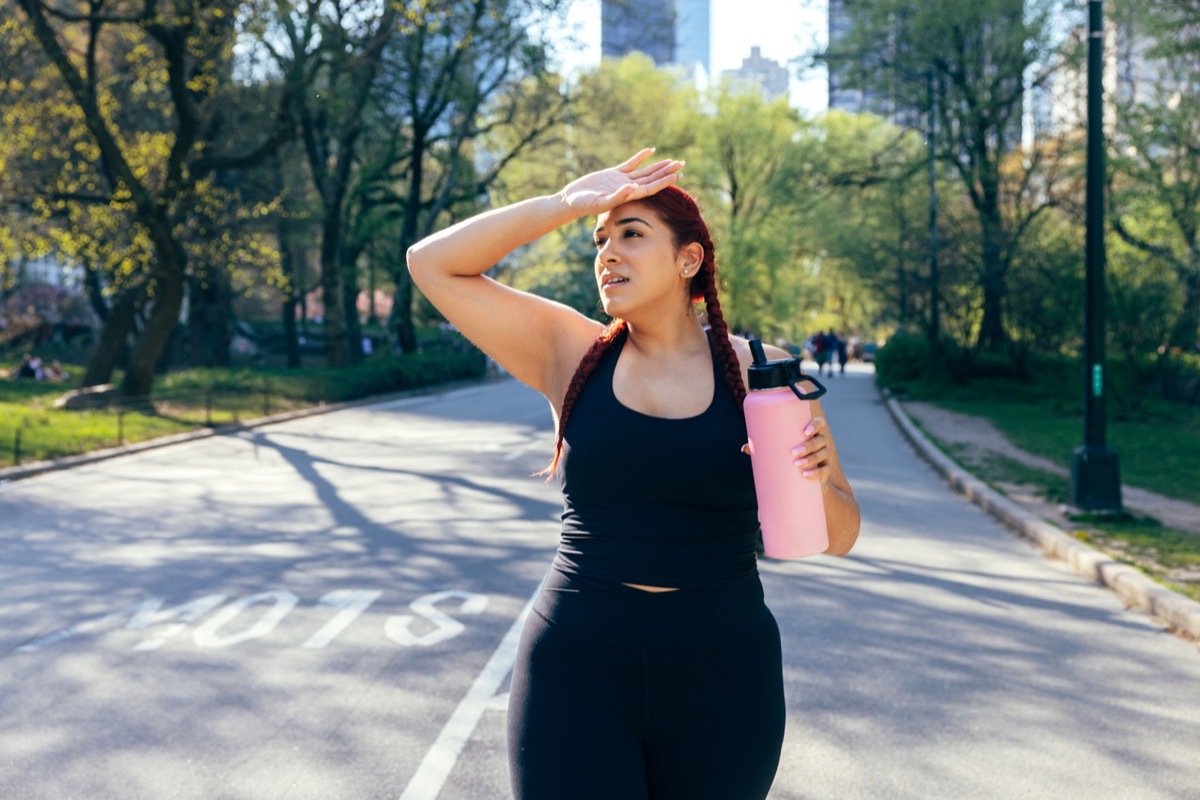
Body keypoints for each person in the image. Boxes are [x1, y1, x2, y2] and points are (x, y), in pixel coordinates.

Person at [407, 149, 860, 800]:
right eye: (600, 239)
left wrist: (812, 481)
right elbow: (430, 263)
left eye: (631, 234)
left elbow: (841, 535)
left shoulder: (761, 371)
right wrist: (563, 204)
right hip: (577, 666)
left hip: (725, 677)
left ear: (688, 260)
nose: (608, 253)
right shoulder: (571, 352)